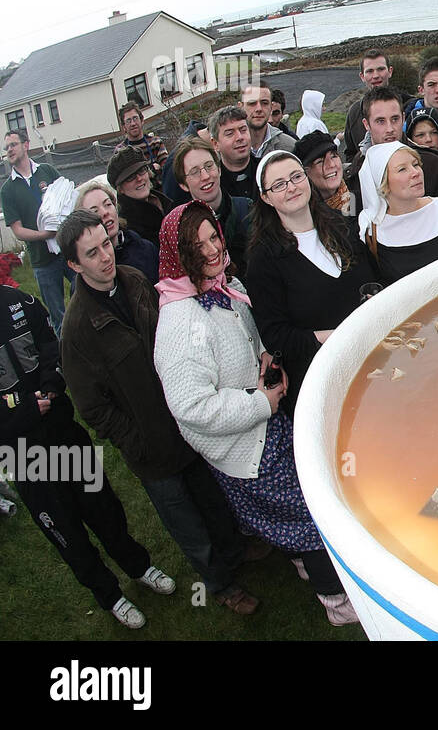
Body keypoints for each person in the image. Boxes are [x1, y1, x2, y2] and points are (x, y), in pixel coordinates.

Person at [152, 201, 358, 625]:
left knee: (300, 515)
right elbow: (191, 408)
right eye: (197, 246)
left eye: (214, 237)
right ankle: (339, 606)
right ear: (178, 256)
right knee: (310, 518)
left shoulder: (222, 287)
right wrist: (259, 403)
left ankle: (306, 567)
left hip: (269, 428)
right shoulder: (178, 325)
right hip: (246, 449)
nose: (211, 251)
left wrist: (263, 356)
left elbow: (247, 337)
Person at [57, 210, 262, 616]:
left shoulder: (135, 280)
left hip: (185, 423)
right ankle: (219, 584)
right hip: (151, 449)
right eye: (92, 253)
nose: (105, 257)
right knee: (185, 521)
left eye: (105, 244)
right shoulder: (77, 329)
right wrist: (137, 439)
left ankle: (236, 550)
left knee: (211, 497)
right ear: (74, 265)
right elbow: (92, 408)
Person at [0, 282, 175, 628]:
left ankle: (138, 566)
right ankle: (109, 596)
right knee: (68, 533)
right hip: (20, 453)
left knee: (104, 509)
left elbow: (54, 350)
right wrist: (24, 409)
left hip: (63, 433)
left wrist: (50, 387)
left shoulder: (20, 303)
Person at [245, 151, 380, 394]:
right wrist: (333, 337)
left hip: (370, 354)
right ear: (266, 198)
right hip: (322, 377)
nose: (291, 187)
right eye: (279, 184)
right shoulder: (263, 259)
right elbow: (276, 334)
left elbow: (370, 279)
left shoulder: (341, 226)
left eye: (296, 177)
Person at [356, 143, 438, 284]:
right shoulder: (372, 232)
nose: (416, 172)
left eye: (416, 164)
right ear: (382, 182)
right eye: (402, 169)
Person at [343, 86, 438, 213]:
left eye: (395, 119)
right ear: (366, 124)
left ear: (403, 118)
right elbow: (350, 220)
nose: (390, 128)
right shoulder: (356, 170)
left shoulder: (435, 166)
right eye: (380, 121)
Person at [1, 129, 73, 334]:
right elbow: (18, 231)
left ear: (26, 145)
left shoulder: (47, 171)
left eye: (13, 145)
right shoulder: (7, 190)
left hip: (67, 249)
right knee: (58, 316)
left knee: (86, 291)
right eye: (6, 148)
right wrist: (46, 235)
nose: (9, 150)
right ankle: (65, 357)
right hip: (42, 260)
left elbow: (68, 198)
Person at [172, 136, 254, 275]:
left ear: (219, 169)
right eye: (195, 172)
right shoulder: (181, 230)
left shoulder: (248, 210)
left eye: (209, 166)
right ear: (183, 185)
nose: (205, 176)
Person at [75, 180, 158, 284]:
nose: (105, 212)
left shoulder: (145, 249)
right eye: (94, 211)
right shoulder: (87, 277)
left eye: (108, 204)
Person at [108, 144, 174, 249]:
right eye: (130, 177)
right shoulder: (129, 230)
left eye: (141, 170)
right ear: (120, 188)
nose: (139, 179)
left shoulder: (165, 202)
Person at [343, 48, 396, 163]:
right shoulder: (354, 113)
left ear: (390, 71)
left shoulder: (408, 105)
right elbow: (350, 154)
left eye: (381, 69)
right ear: (362, 76)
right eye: (370, 71)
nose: (376, 75)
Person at [209, 105, 258, 202]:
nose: (239, 137)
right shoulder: (213, 185)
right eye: (230, 133)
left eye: (243, 130)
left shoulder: (267, 171)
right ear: (215, 144)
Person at [295, 131, 351, 214]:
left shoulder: (356, 199)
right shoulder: (303, 215)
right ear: (305, 172)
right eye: (320, 161)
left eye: (334, 156)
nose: (331, 165)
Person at [112, 101, 169, 181]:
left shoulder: (156, 143)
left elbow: (167, 169)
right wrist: (152, 169)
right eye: (128, 121)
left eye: (135, 118)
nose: (133, 123)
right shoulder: (120, 151)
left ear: (142, 120)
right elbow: (121, 180)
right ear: (124, 127)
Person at [241, 85, 296, 158]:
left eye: (264, 103)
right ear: (241, 107)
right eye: (252, 103)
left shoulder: (289, 147)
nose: (259, 109)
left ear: (271, 106)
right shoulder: (227, 147)